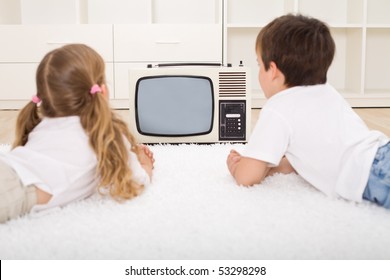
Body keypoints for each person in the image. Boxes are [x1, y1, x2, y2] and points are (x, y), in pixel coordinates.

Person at [226, 14, 390, 209]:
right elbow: (302, 160)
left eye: (259, 65)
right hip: (380, 151)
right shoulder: (326, 90)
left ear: (273, 70)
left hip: (373, 173)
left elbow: (246, 178)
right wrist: (268, 167)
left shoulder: (277, 108)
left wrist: (237, 167)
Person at [0, 44, 155, 223]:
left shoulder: (42, 125)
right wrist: (145, 164)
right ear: (102, 91)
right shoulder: (107, 134)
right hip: (15, 190)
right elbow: (137, 182)